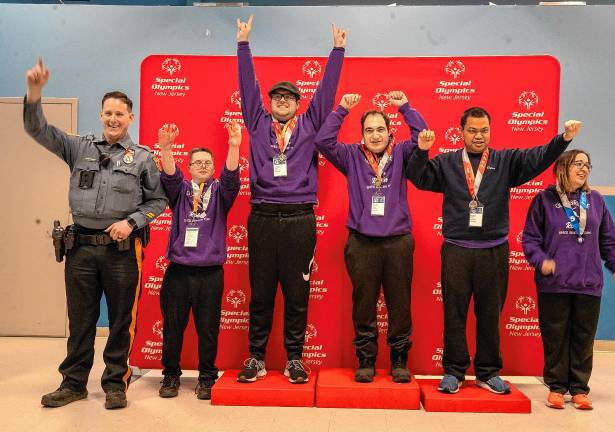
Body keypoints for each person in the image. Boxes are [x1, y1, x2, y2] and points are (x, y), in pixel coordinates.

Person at [406, 106, 582, 395]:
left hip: (494, 251)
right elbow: (418, 177)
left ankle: (488, 372)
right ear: (461, 132)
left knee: (490, 314)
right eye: (472, 130)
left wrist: (563, 139)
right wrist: (422, 151)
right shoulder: (448, 163)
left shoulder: (505, 161)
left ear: (490, 131)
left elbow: (538, 158)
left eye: (484, 130)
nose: (479, 136)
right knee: (455, 314)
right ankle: (454, 371)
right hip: (457, 250)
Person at [24, 58, 167, 409]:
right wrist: (34, 92)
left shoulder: (143, 158)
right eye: (108, 113)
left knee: (120, 321)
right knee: (81, 320)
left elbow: (159, 200)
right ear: (101, 115)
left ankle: (116, 383)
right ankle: (73, 383)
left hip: (122, 252)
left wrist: (132, 222)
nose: (113, 119)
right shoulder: (79, 148)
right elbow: (38, 130)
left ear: (130, 117)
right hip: (81, 250)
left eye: (120, 114)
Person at [235, 16, 347, 384]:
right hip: (263, 217)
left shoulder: (311, 125)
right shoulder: (256, 123)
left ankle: (295, 358)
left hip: (300, 219)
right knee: (261, 292)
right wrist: (243, 44)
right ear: (269, 103)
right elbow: (247, 87)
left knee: (297, 292)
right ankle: (256, 357)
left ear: (298, 105)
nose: (282, 101)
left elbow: (327, 93)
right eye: (277, 97)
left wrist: (338, 51)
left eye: (289, 98)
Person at [315, 92, 431, 383]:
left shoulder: (402, 152)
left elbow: (423, 135)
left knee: (399, 303)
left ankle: (399, 360)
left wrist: (405, 107)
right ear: (362, 135)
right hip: (362, 242)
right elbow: (323, 142)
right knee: (363, 303)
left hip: (397, 242)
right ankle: (365, 359)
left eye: (380, 129)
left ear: (390, 132)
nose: (375, 135)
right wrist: (341, 109)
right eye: (369, 130)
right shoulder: (351, 156)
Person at [522, 149, 615, 410]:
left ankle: (580, 389)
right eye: (577, 164)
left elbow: (608, 238)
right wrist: (541, 261)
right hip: (554, 283)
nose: (583, 169)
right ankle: (557, 388)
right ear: (562, 167)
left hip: (588, 282)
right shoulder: (544, 199)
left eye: (587, 165)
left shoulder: (596, 200)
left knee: (584, 337)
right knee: (556, 337)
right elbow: (530, 239)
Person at [156, 122, 241, 400]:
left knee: (208, 329)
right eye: (197, 162)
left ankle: (206, 376)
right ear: (189, 167)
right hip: (178, 272)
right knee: (172, 328)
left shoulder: (220, 193)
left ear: (213, 167)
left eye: (208, 162)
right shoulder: (180, 190)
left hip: (210, 274)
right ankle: (170, 376)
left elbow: (231, 177)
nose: (203, 166)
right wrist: (166, 148)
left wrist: (233, 146)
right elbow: (169, 176)